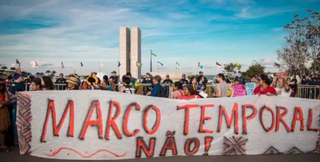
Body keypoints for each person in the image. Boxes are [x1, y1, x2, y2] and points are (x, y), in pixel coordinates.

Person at [0, 80, 11, 152]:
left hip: (2, 111)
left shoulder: (5, 92)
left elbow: (7, 101)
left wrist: (1, 103)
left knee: (2, 129)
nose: (1, 86)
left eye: (2, 85)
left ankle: (3, 145)